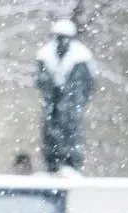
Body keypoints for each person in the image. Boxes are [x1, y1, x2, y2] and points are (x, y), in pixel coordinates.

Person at [35, 19, 94, 175]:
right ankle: (52, 163)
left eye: (65, 37)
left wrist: (75, 99)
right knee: (50, 137)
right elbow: (39, 80)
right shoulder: (45, 56)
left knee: (72, 136)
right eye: (59, 37)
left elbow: (88, 84)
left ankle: (71, 163)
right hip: (52, 105)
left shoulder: (81, 58)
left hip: (71, 107)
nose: (62, 41)